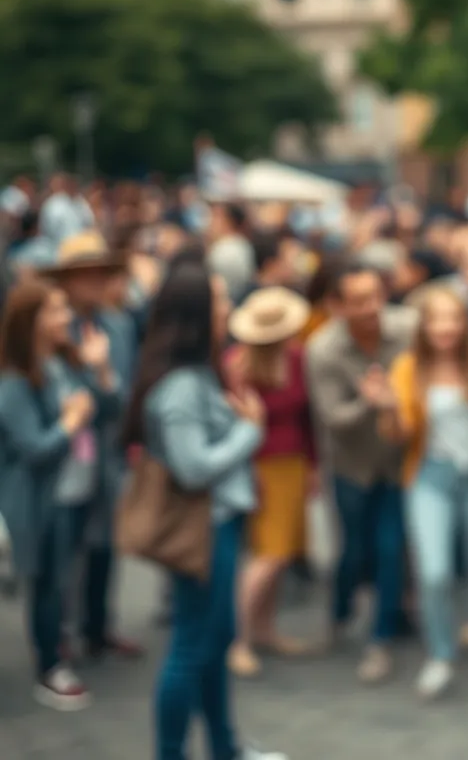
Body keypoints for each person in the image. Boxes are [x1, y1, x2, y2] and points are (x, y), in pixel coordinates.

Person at [121, 253, 286, 760]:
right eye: (218, 299)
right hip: (203, 528)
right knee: (191, 648)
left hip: (216, 523)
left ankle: (224, 747)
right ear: (196, 313)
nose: (227, 306)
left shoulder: (194, 374)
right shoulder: (181, 387)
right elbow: (194, 468)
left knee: (213, 642)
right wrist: (249, 431)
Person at [375, 284, 468, 699]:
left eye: (453, 318)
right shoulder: (408, 367)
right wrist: (387, 406)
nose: (445, 327)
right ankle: (441, 654)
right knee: (433, 572)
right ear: (423, 326)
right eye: (436, 319)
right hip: (430, 475)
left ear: (466, 323)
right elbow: (399, 434)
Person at [0, 279, 116, 710]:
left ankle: (63, 646)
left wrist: (101, 370)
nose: (66, 317)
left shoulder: (63, 364)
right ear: (32, 321)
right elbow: (34, 449)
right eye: (56, 310)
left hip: (78, 487)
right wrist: (71, 421)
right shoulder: (14, 382)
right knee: (49, 583)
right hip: (46, 499)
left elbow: (109, 409)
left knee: (65, 577)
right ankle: (49, 666)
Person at [304, 259, 415, 684]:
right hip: (351, 467)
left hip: (397, 461)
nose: (371, 307)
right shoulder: (323, 349)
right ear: (338, 306)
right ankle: (339, 612)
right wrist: (370, 402)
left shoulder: (407, 328)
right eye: (359, 300)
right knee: (352, 551)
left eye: (376, 296)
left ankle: (380, 639)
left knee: (390, 549)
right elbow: (332, 417)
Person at [41, 231, 143, 661]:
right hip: (65, 455)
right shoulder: (51, 328)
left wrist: (102, 382)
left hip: (106, 451)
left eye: (102, 273)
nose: (97, 282)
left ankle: (98, 627)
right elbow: (60, 398)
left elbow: (121, 398)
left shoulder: (118, 325)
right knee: (64, 549)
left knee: (105, 545)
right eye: (86, 274)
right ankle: (59, 635)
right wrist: (97, 380)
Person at [224, 287, 316, 678]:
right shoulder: (237, 366)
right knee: (269, 555)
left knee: (282, 551)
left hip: (292, 463)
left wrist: (312, 465)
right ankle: (237, 639)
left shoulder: (296, 358)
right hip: (259, 464)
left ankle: (264, 629)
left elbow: (306, 417)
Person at [207, 202, 254, 305]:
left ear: (227, 221)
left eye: (215, 217)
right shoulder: (242, 244)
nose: (209, 224)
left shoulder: (225, 251)